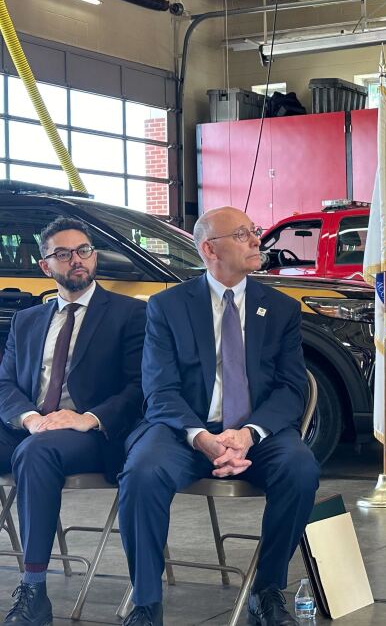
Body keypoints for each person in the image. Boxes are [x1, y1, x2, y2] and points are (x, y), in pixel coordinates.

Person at [118, 206, 319, 626]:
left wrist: (247, 434)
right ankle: (146, 603)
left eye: (254, 231)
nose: (256, 240)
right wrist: (201, 437)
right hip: (183, 432)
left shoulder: (280, 309)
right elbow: (160, 389)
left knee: (300, 468)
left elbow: (291, 387)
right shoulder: (167, 307)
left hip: (256, 433)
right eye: (243, 234)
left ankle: (267, 591)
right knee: (141, 472)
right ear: (210, 248)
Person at [0, 217, 146, 625]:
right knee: (34, 445)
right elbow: (5, 383)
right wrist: (28, 417)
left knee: (36, 454)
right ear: (46, 266)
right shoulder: (27, 320)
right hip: (35, 428)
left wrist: (87, 418)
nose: (76, 260)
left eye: (83, 250)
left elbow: (141, 388)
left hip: (94, 434)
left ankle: (34, 591)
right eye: (63, 254)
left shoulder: (131, 314)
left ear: (94, 256)